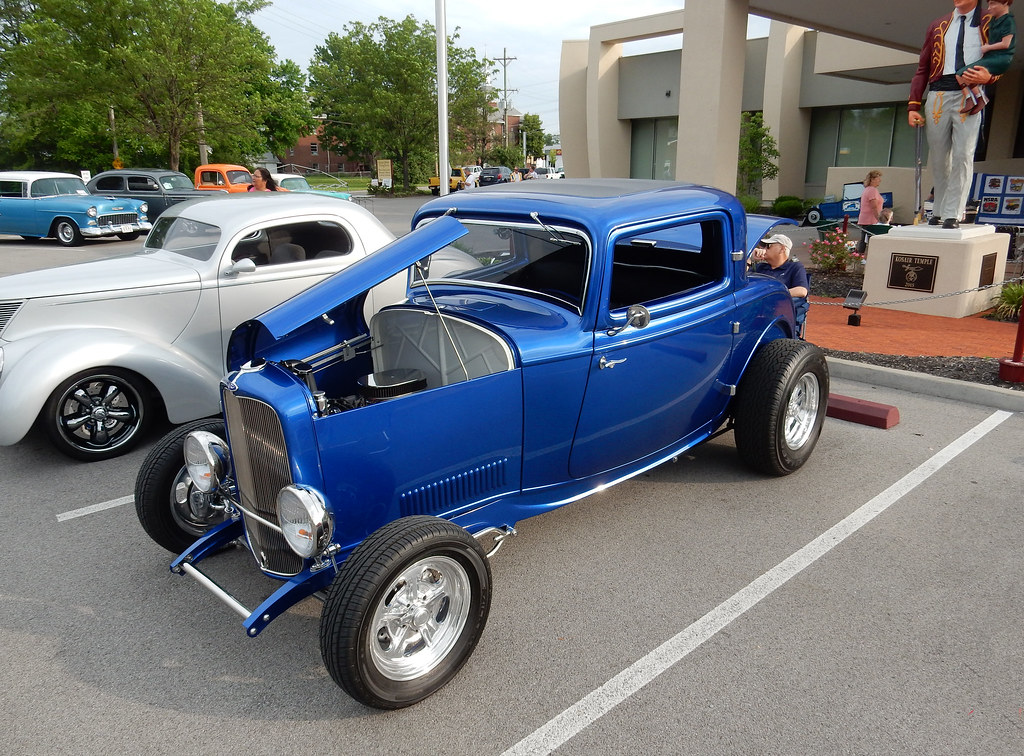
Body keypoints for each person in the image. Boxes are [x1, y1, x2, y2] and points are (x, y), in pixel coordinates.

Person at [908, 0, 1002, 230]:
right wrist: (913, 104)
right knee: (939, 159)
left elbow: (1000, 60)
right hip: (939, 93)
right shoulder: (938, 25)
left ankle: (953, 211)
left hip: (969, 94)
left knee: (963, 154)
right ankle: (938, 209)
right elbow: (923, 68)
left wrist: (989, 77)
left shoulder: (991, 21)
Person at [957, 0, 1016, 114]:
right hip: (991, 56)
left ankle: (979, 98)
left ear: (1005, 3)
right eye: (989, 4)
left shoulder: (1008, 21)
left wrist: (988, 47)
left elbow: (1006, 44)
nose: (989, 8)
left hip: (1000, 58)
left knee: (964, 74)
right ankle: (974, 98)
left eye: (993, 4)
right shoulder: (994, 20)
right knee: (960, 75)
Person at [753, 233, 809, 335]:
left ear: (782, 249)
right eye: (764, 246)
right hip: (755, 315)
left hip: (777, 317)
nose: (764, 249)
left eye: (768, 246)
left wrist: (773, 293)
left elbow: (802, 291)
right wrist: (749, 260)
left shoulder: (794, 267)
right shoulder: (760, 267)